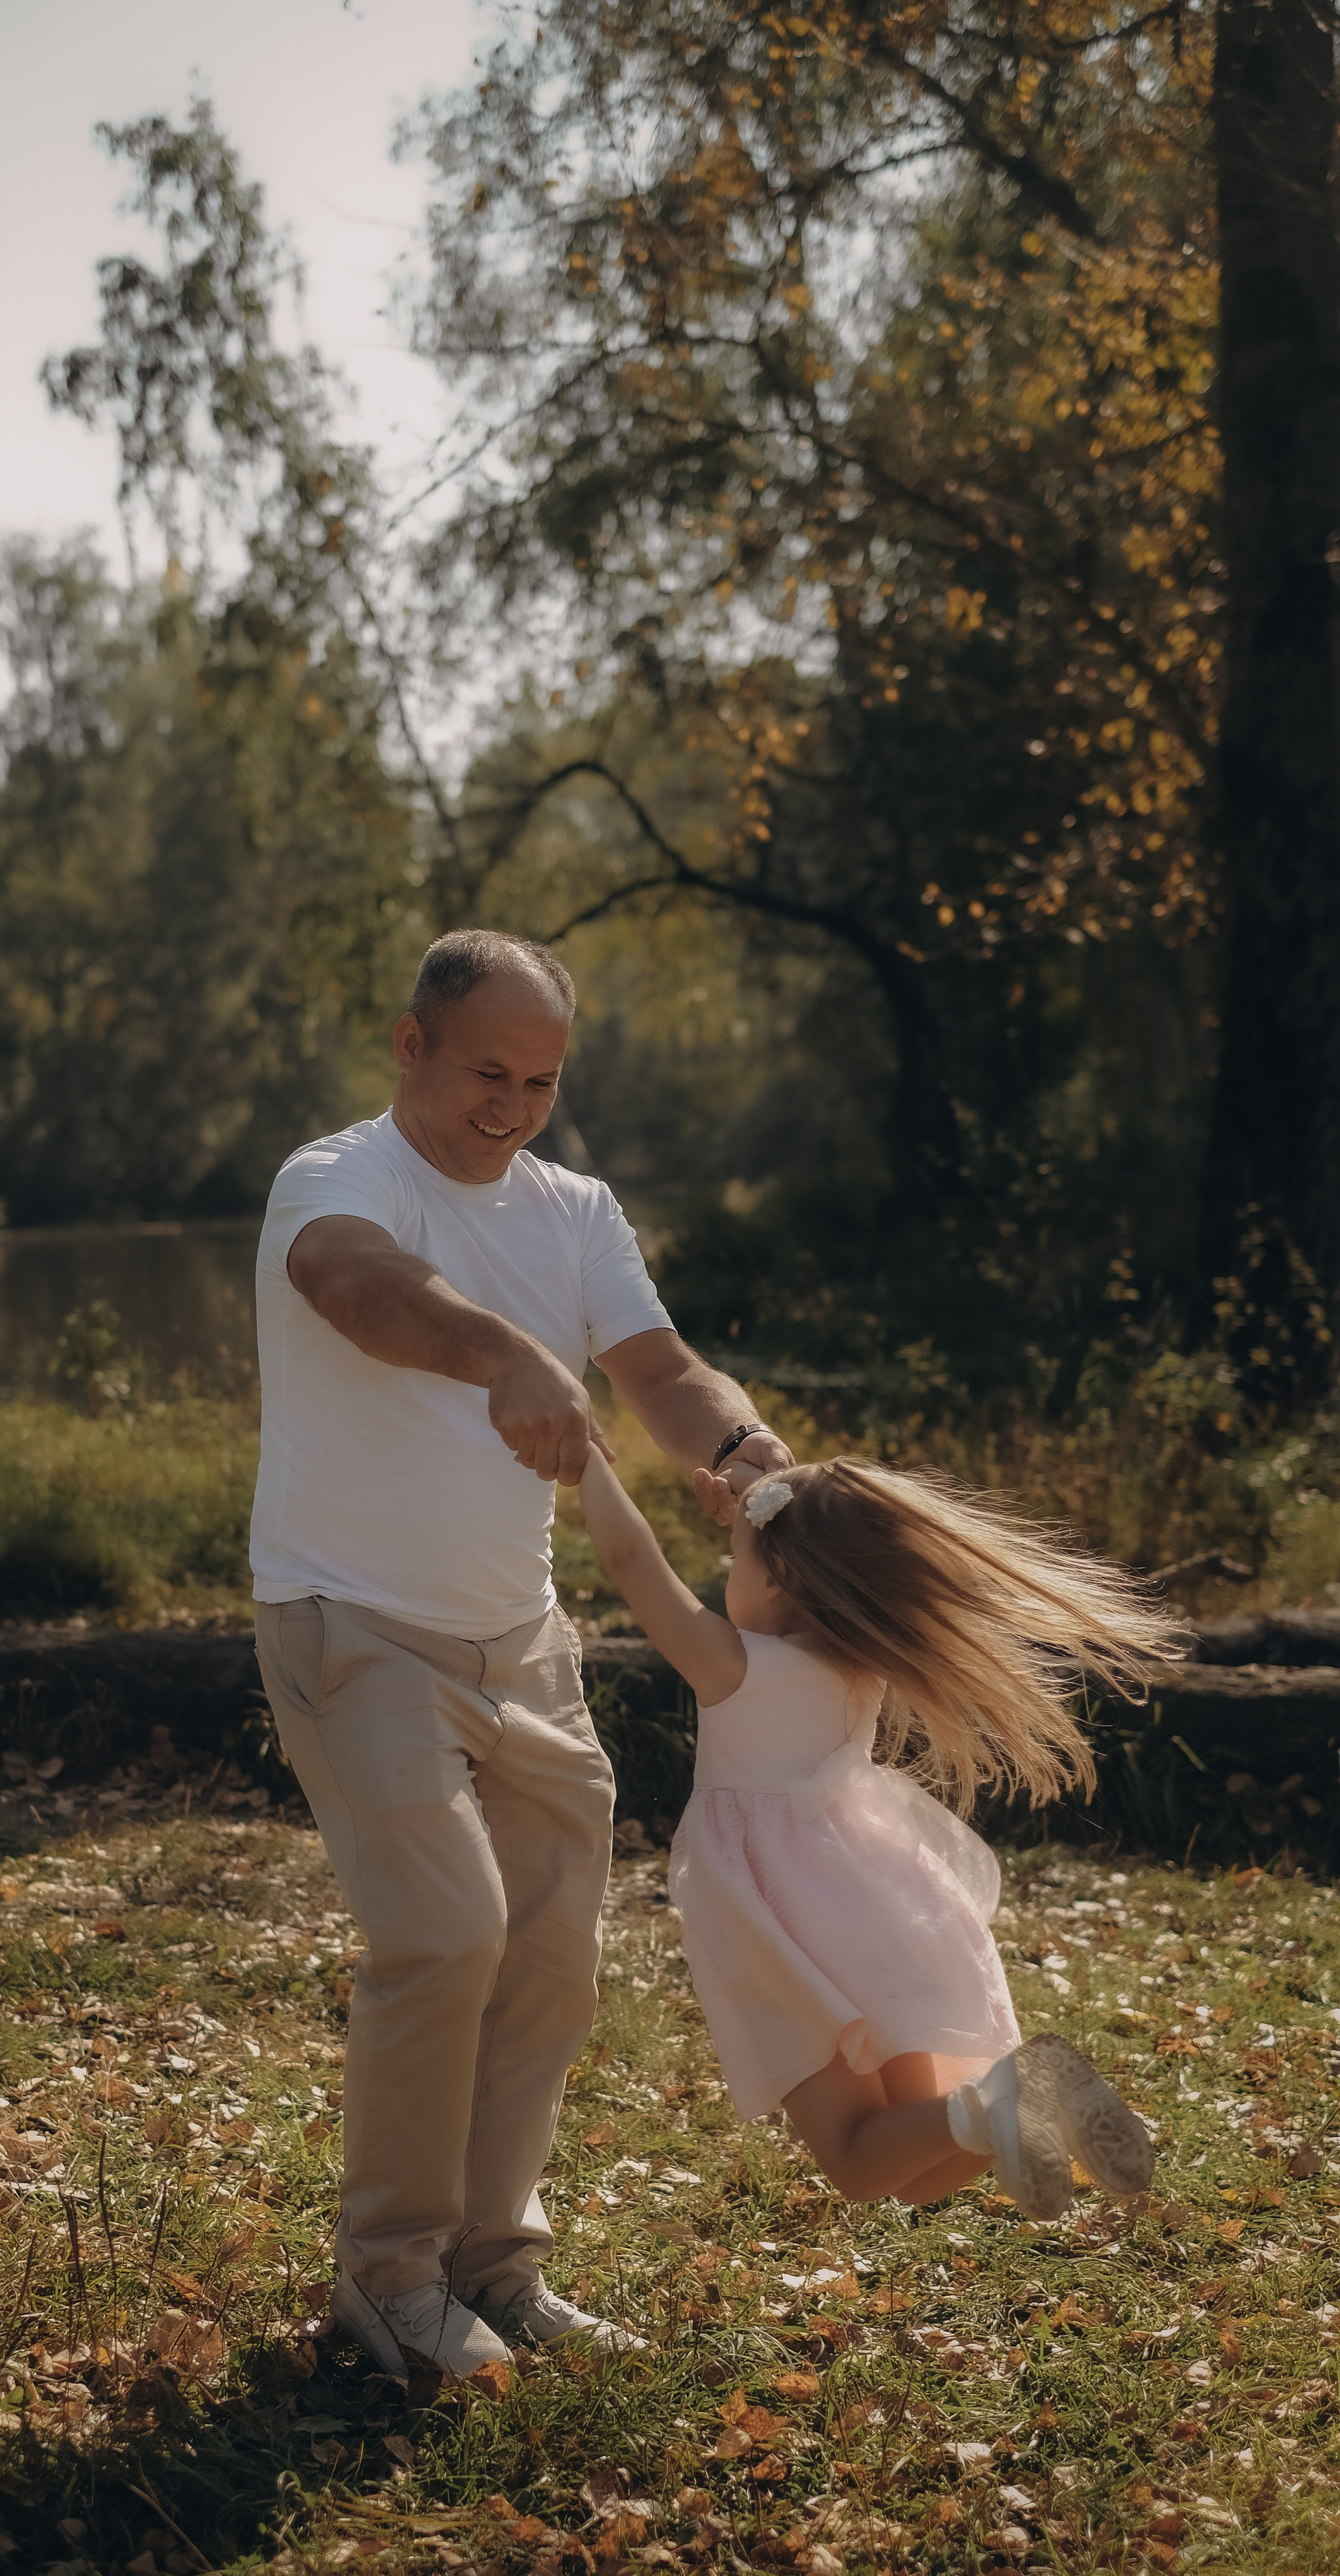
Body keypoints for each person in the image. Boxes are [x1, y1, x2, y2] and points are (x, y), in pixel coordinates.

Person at [251, 928, 793, 2377]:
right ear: (410, 1043)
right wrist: (502, 1353)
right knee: (445, 1937)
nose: (511, 1106)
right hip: (352, 1624)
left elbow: (660, 1371)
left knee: (550, 1961)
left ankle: (492, 2270)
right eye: (486, 1072)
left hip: (523, 1645)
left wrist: (744, 1447)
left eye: (540, 1082)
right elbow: (357, 1287)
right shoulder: (337, 1179)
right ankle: (387, 2281)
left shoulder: (575, 1210)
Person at [577, 1450, 1179, 2215]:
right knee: (915, 2179)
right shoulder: (861, 1662)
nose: (728, 1575)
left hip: (777, 1915)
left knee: (858, 2167)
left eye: (734, 1560)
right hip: (872, 1904)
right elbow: (823, 1533)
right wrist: (768, 1510)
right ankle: (1010, 2113)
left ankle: (1000, 2100)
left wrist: (586, 1455)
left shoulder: (733, 1666)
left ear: (780, 1579)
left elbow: (631, 1561)